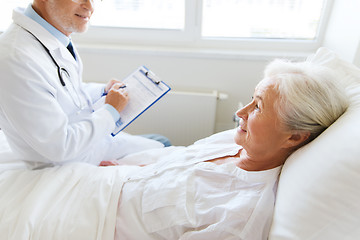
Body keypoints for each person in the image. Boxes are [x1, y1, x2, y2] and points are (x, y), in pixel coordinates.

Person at [99, 59, 349, 239]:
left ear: (294, 137)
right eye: (251, 99)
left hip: (100, 223)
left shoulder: (239, 217)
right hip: (112, 183)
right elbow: (176, 163)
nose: (240, 112)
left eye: (258, 107)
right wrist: (128, 169)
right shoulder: (234, 140)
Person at [0, 0, 170, 170]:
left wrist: (102, 92)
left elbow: (60, 90)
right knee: (163, 145)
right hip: (66, 161)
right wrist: (110, 112)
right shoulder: (16, 57)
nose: (90, 6)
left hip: (85, 142)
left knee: (160, 141)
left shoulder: (53, 34)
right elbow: (58, 146)